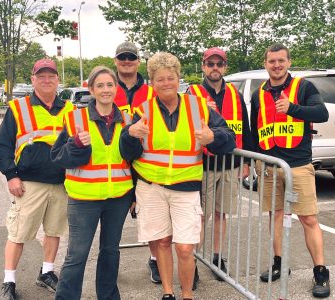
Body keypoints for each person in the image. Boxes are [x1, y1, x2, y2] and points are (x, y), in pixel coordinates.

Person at [120, 52, 236, 300]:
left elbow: (229, 137)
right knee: (162, 243)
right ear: (152, 82)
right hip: (151, 187)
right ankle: (168, 292)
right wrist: (130, 134)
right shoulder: (143, 110)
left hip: (186, 187)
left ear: (178, 78)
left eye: (170, 78)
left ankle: (187, 295)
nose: (166, 83)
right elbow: (126, 151)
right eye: (159, 79)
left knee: (184, 248)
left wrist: (213, 138)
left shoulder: (198, 107)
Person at [250, 44, 330, 298]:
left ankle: (320, 272)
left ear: (288, 62)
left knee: (308, 219)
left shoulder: (303, 87)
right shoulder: (258, 93)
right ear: (266, 64)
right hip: (270, 167)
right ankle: (279, 264)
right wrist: (254, 160)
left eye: (281, 61)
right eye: (272, 61)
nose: (276, 65)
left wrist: (293, 109)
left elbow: (322, 113)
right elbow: (254, 128)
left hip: (298, 165)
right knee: (275, 215)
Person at [0, 58, 75, 300]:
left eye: (51, 76)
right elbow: (2, 146)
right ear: (33, 80)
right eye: (41, 76)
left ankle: (47, 272)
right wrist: (11, 175)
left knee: (54, 231)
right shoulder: (18, 108)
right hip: (28, 184)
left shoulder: (70, 109)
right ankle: (9, 281)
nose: (47, 80)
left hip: (61, 183)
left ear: (58, 79)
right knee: (18, 233)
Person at [51, 66, 134, 300]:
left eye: (110, 85)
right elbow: (58, 158)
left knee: (110, 252)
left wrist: (135, 195)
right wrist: (75, 144)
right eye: (100, 85)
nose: (106, 90)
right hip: (83, 199)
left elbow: (134, 158)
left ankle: (108, 296)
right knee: (77, 254)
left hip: (118, 197)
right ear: (91, 89)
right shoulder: (75, 118)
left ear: (116, 88)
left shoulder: (128, 119)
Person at [188, 47, 252, 280]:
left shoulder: (234, 93)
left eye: (219, 64)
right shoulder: (192, 92)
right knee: (199, 216)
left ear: (225, 67)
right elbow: (183, 127)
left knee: (221, 213)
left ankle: (217, 258)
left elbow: (244, 129)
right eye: (210, 64)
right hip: (201, 164)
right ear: (203, 66)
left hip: (229, 164)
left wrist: (245, 162)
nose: (215, 68)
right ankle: (192, 261)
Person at [113, 41, 161, 284]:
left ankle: (154, 260)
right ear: (116, 61)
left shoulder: (152, 90)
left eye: (131, 56)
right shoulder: (108, 87)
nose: (127, 61)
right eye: (122, 57)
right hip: (114, 161)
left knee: (150, 216)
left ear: (138, 61)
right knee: (113, 217)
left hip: (145, 160)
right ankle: (110, 260)